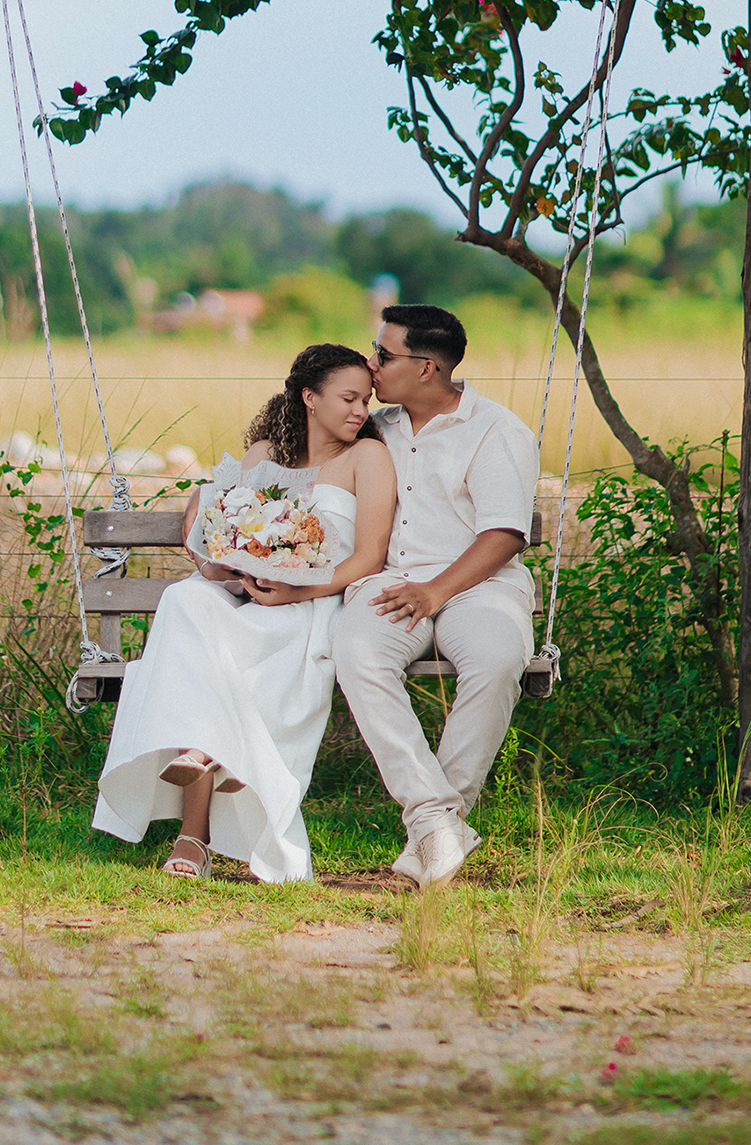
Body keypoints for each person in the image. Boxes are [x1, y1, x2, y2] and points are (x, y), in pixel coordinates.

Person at [92, 343, 396, 883]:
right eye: (348, 398)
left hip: (309, 605)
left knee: (222, 649)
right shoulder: (262, 456)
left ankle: (195, 824)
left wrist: (291, 592)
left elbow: (368, 557)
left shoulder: (367, 458)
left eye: (365, 400)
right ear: (309, 397)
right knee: (186, 598)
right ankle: (204, 756)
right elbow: (213, 544)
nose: (360, 411)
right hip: (241, 595)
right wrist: (226, 561)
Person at [333, 303, 539, 892]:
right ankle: (435, 821)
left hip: (479, 586)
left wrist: (436, 591)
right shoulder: (374, 428)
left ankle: (433, 824)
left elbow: (503, 533)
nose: (371, 365)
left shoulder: (497, 430)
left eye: (384, 354)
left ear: (425, 368)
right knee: (357, 651)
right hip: (391, 581)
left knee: (498, 659)